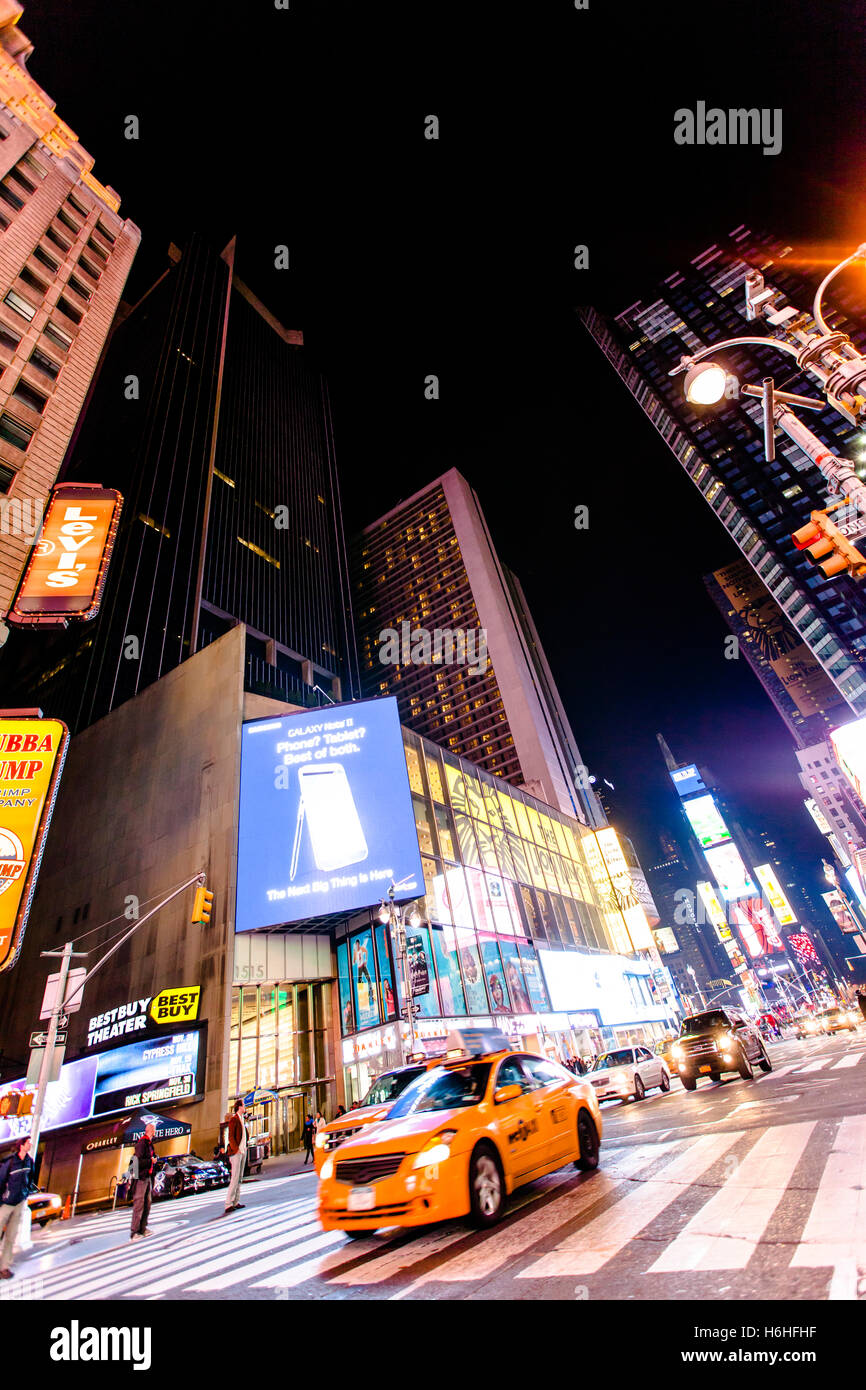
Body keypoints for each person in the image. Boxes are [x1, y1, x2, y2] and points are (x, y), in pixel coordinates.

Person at [0, 1136, 35, 1279]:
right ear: (22, 1145)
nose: (30, 1144)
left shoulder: (30, 1161)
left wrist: (25, 1193)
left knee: (11, 1237)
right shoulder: (10, 1162)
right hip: (6, 1204)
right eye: (28, 1143)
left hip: (19, 1203)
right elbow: (1, 1181)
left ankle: (4, 1267)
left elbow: (31, 1179)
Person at [130, 1122, 156, 1241]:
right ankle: (134, 1231)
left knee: (147, 1203)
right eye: (153, 1129)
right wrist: (151, 1161)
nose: (155, 1131)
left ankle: (142, 1228)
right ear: (149, 1130)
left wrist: (153, 1160)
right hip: (141, 1178)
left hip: (147, 1177)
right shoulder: (142, 1144)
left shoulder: (150, 1144)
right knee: (139, 1204)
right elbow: (137, 1161)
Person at [224, 1099, 247, 1213]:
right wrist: (236, 1149)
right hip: (236, 1152)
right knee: (235, 1178)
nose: (245, 1107)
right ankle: (228, 1203)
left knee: (239, 1178)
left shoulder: (242, 1119)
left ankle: (236, 1201)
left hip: (242, 1151)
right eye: (243, 1105)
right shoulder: (234, 1119)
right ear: (239, 1107)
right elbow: (231, 1137)